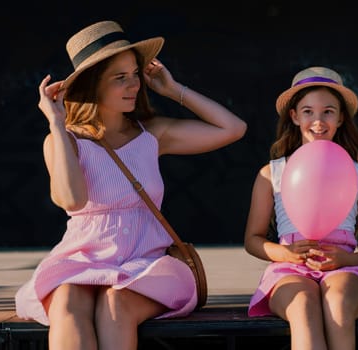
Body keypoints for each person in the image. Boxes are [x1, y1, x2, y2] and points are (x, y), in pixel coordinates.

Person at [15, 20, 247, 349]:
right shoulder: (63, 140)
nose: (134, 85)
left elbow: (233, 129)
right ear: (93, 85)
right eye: (119, 78)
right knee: (67, 303)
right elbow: (72, 201)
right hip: (82, 259)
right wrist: (56, 121)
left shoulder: (151, 134)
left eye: (135, 74)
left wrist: (173, 89)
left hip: (148, 263)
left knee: (116, 303)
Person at [244, 66, 358, 350]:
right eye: (308, 111)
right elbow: (253, 239)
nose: (318, 121)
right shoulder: (270, 174)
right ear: (295, 116)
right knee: (302, 306)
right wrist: (284, 253)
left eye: (328, 111)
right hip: (289, 269)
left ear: (341, 118)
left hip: (346, 269)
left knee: (337, 304)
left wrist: (346, 261)